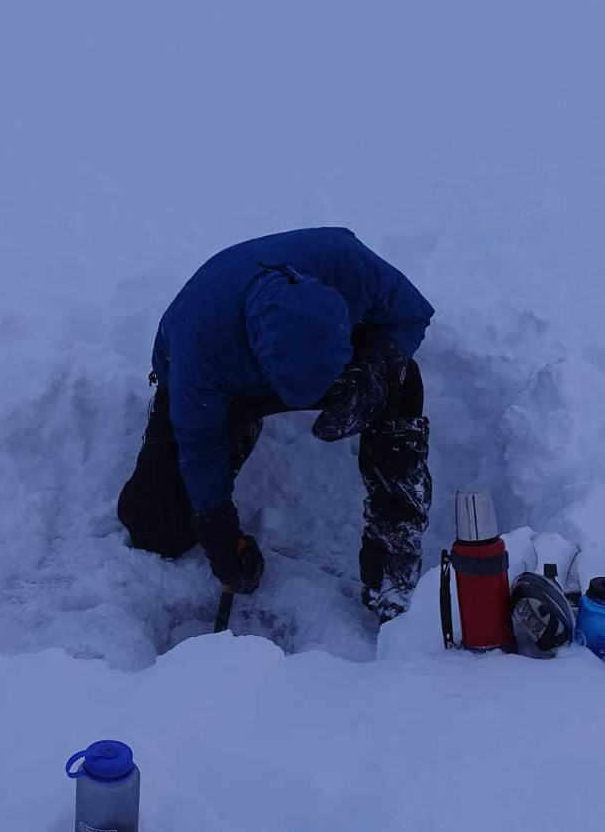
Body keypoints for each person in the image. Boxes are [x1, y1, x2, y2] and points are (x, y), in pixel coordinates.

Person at [117, 227, 434, 621]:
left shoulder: (349, 265)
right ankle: (237, 430)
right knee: (154, 527)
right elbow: (199, 449)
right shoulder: (200, 349)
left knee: (401, 378)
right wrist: (219, 530)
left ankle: (394, 545)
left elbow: (413, 315)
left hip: (320, 350)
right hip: (217, 380)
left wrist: (373, 370)